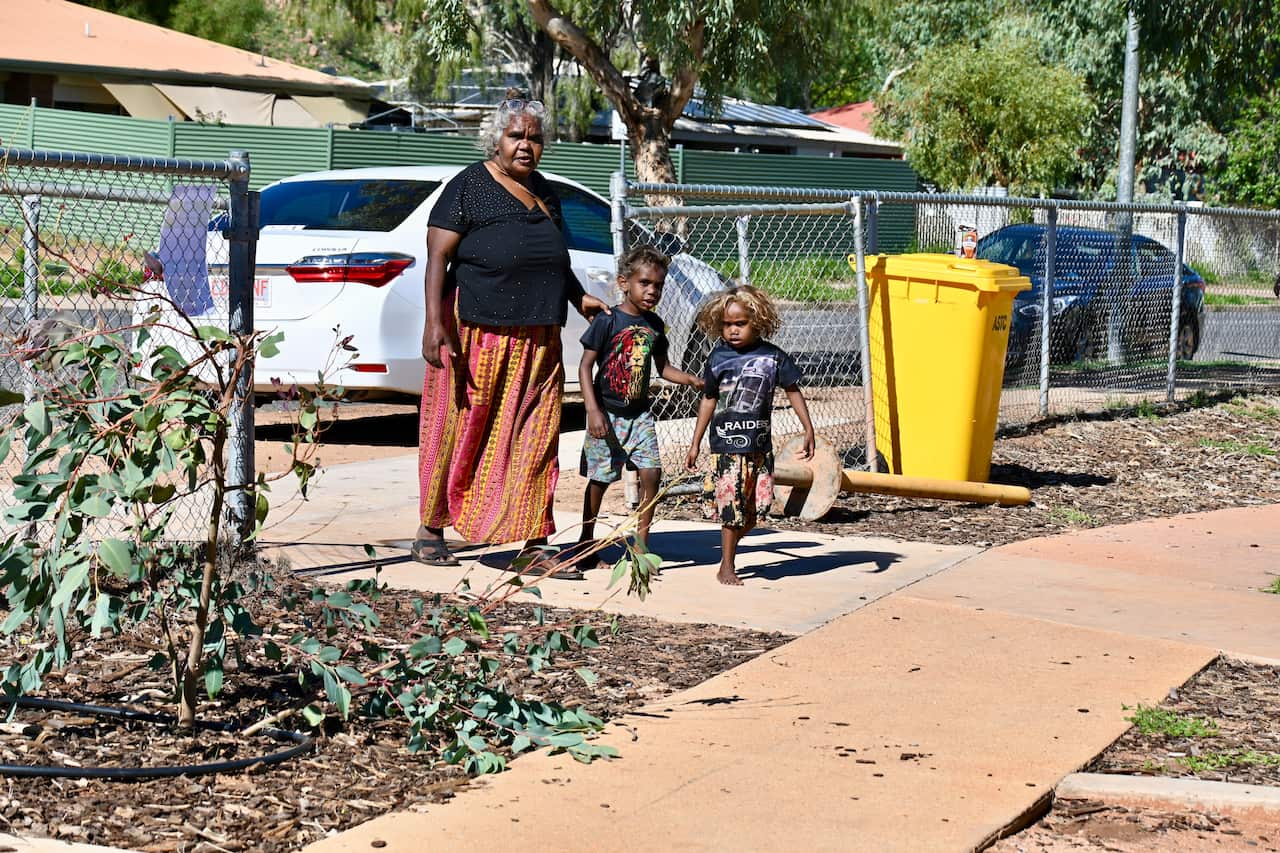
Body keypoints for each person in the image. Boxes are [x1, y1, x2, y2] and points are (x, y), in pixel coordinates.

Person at [415, 94, 610, 575]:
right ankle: (430, 528)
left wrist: (577, 295)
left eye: (535, 138)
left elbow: (553, 260)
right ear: (496, 139)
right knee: (461, 429)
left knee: (536, 436)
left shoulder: (545, 190)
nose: (526, 145)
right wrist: (434, 323)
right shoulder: (469, 185)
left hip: (540, 335)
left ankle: (534, 540)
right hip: (477, 332)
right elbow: (437, 257)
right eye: (516, 136)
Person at [575, 245, 703, 568]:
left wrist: (688, 379)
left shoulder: (656, 326)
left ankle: (641, 549)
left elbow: (663, 368)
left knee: (652, 474)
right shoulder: (607, 321)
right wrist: (593, 410)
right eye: (644, 283)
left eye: (658, 285)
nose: (652, 291)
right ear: (624, 283)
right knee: (601, 478)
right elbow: (584, 367)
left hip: (640, 415)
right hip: (607, 414)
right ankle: (585, 544)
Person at [685, 284, 815, 586]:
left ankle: (729, 554)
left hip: (758, 447)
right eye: (727, 324)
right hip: (725, 447)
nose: (732, 330)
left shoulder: (773, 357)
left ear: (757, 321)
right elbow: (708, 399)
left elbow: (793, 390)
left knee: (755, 514)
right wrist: (695, 443)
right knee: (731, 510)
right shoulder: (717, 358)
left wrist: (808, 428)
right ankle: (726, 566)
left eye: (740, 324)